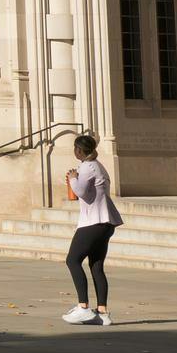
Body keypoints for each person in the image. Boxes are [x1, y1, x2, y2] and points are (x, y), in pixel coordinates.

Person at [62, 132, 121, 326]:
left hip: (93, 222)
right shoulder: (99, 166)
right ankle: (102, 312)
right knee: (96, 266)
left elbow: (81, 193)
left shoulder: (87, 167)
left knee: (72, 260)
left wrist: (72, 178)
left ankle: (83, 307)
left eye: (75, 148)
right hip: (106, 222)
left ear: (79, 150)